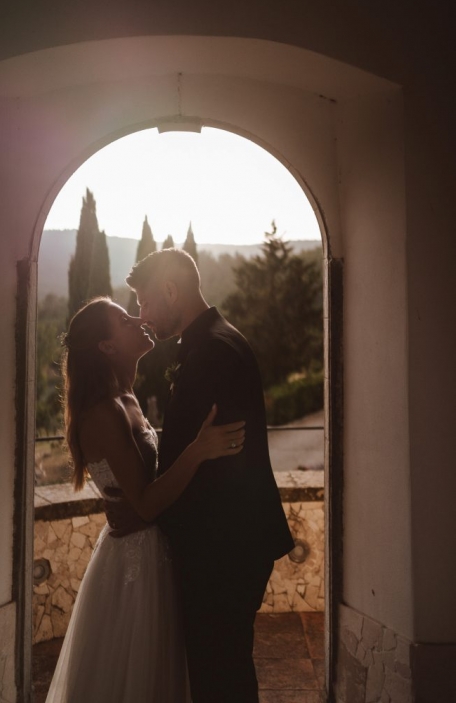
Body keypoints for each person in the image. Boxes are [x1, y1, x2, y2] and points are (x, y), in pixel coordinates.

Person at [45, 297, 245, 703]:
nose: (138, 319)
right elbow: (146, 505)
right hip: (134, 565)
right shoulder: (103, 412)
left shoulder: (126, 396)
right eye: (124, 319)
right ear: (106, 346)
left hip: (156, 549)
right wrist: (199, 449)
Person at [117, 249, 295, 703]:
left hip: (223, 551)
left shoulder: (212, 350)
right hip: (229, 546)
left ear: (171, 290)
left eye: (145, 302)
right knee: (225, 670)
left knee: (220, 678)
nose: (143, 315)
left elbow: (221, 464)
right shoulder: (211, 340)